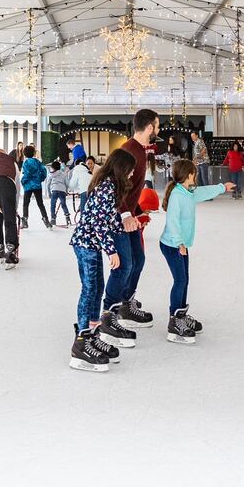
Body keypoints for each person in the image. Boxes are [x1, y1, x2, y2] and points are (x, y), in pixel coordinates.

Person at [69, 149, 137, 372]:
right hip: (86, 244)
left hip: (91, 245)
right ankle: (82, 342)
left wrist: (128, 224)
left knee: (97, 289)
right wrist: (112, 251)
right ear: (121, 168)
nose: (132, 174)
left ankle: (92, 333)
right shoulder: (106, 187)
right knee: (90, 289)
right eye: (129, 170)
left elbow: (109, 220)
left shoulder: (111, 187)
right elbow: (99, 224)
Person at [160, 159, 235, 344]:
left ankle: (181, 315)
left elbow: (203, 192)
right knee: (180, 280)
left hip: (180, 244)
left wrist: (222, 187)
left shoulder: (188, 192)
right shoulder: (177, 195)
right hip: (172, 245)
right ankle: (174, 322)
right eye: (194, 172)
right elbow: (173, 221)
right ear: (188, 175)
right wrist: (179, 243)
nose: (196, 175)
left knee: (184, 280)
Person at [99, 108, 160, 337]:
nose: (159, 129)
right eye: (158, 125)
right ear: (150, 127)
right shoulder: (129, 150)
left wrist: (138, 212)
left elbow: (132, 191)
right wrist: (125, 215)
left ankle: (125, 302)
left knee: (138, 259)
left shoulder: (141, 151)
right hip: (117, 217)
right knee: (124, 264)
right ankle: (109, 314)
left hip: (128, 215)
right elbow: (116, 186)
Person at [21, 145, 51, 229]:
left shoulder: (26, 162)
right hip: (37, 185)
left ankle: (25, 221)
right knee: (40, 203)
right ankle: (46, 220)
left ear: (24, 154)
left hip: (28, 186)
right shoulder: (38, 161)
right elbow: (44, 171)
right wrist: (40, 179)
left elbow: (27, 174)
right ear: (34, 153)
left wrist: (23, 181)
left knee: (26, 203)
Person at [47, 160, 71, 226]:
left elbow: (48, 184)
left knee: (53, 205)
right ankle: (67, 217)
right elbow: (67, 183)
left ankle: (53, 219)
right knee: (63, 204)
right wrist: (66, 191)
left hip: (54, 190)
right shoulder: (63, 174)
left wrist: (49, 193)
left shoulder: (51, 174)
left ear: (53, 168)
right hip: (62, 190)